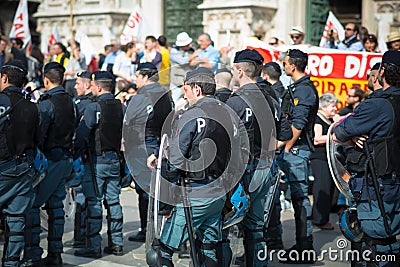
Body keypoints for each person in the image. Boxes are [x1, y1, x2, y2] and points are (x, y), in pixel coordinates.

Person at [146, 67, 236, 267]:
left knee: (160, 254)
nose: (183, 94)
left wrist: (166, 203)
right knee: (209, 249)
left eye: (185, 89)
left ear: (196, 89)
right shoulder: (227, 113)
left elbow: (177, 160)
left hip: (194, 192)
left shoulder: (193, 114)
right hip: (218, 191)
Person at [333, 50, 400, 267]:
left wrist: (353, 139)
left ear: (382, 72)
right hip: (390, 180)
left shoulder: (378, 104)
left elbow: (339, 133)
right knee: (391, 242)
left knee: (377, 243)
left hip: (379, 184)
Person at [225, 49, 292, 266]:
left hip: (244, 169)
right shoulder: (271, 98)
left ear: (239, 71)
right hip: (266, 166)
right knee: (256, 226)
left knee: (226, 223)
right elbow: (285, 134)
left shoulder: (235, 101)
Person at [23, 62, 75, 267]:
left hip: (49, 160)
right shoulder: (71, 101)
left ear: (45, 79)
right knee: (56, 207)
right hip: (65, 159)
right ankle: (55, 253)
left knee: (33, 205)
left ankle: (34, 253)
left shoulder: (46, 103)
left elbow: (39, 134)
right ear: (62, 79)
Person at [74, 71, 124, 258]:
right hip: (114, 160)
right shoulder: (121, 107)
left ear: (99, 87)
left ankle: (93, 246)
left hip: (97, 161)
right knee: (113, 201)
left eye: (94, 85)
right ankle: (117, 243)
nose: (92, 88)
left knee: (94, 202)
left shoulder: (94, 107)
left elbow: (82, 134)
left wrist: (76, 154)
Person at [277, 49, 318, 263]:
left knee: (300, 200)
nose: (283, 67)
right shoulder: (297, 88)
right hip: (292, 149)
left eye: (284, 64)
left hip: (296, 150)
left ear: (292, 66)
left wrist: (285, 147)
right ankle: (299, 245)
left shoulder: (304, 90)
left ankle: (305, 249)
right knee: (295, 199)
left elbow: (298, 124)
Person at [127, 62, 174, 242]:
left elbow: (128, 120)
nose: (135, 79)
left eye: (137, 76)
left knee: (144, 188)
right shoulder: (166, 94)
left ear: (145, 77)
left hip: (143, 143)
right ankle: (157, 229)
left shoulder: (140, 96)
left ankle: (147, 230)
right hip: (161, 144)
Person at [0, 60, 38, 267]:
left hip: (3, 168)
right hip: (23, 169)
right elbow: (37, 140)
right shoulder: (32, 106)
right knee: (16, 224)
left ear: (4, 78)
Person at [63, 71, 93, 249]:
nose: (75, 86)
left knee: (81, 197)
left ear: (87, 85)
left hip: (81, 156)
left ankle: (81, 237)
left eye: (78, 83)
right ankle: (86, 236)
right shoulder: (95, 103)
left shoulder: (82, 104)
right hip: (93, 156)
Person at [310, 92, 338, 230]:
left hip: (328, 159)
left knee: (329, 189)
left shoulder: (331, 120)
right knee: (322, 188)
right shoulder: (318, 120)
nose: (335, 109)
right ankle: (319, 219)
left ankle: (322, 218)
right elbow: (317, 139)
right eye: (332, 107)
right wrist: (334, 137)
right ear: (324, 106)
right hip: (319, 159)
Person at [169, 32, 195, 103]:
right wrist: (194, 55)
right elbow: (183, 61)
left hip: (188, 83)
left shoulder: (192, 51)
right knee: (175, 103)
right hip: (176, 84)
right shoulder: (174, 51)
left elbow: (195, 63)